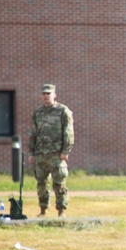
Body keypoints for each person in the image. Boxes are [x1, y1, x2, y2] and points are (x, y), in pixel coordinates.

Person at [28, 83, 74, 217]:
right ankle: (43, 209)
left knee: (59, 183)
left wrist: (66, 151)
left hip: (56, 154)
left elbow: (68, 132)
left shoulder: (63, 111)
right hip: (41, 154)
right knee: (41, 184)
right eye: (44, 94)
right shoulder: (37, 112)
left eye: (48, 93)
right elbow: (33, 133)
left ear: (54, 95)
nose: (46, 96)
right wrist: (31, 152)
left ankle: (61, 210)